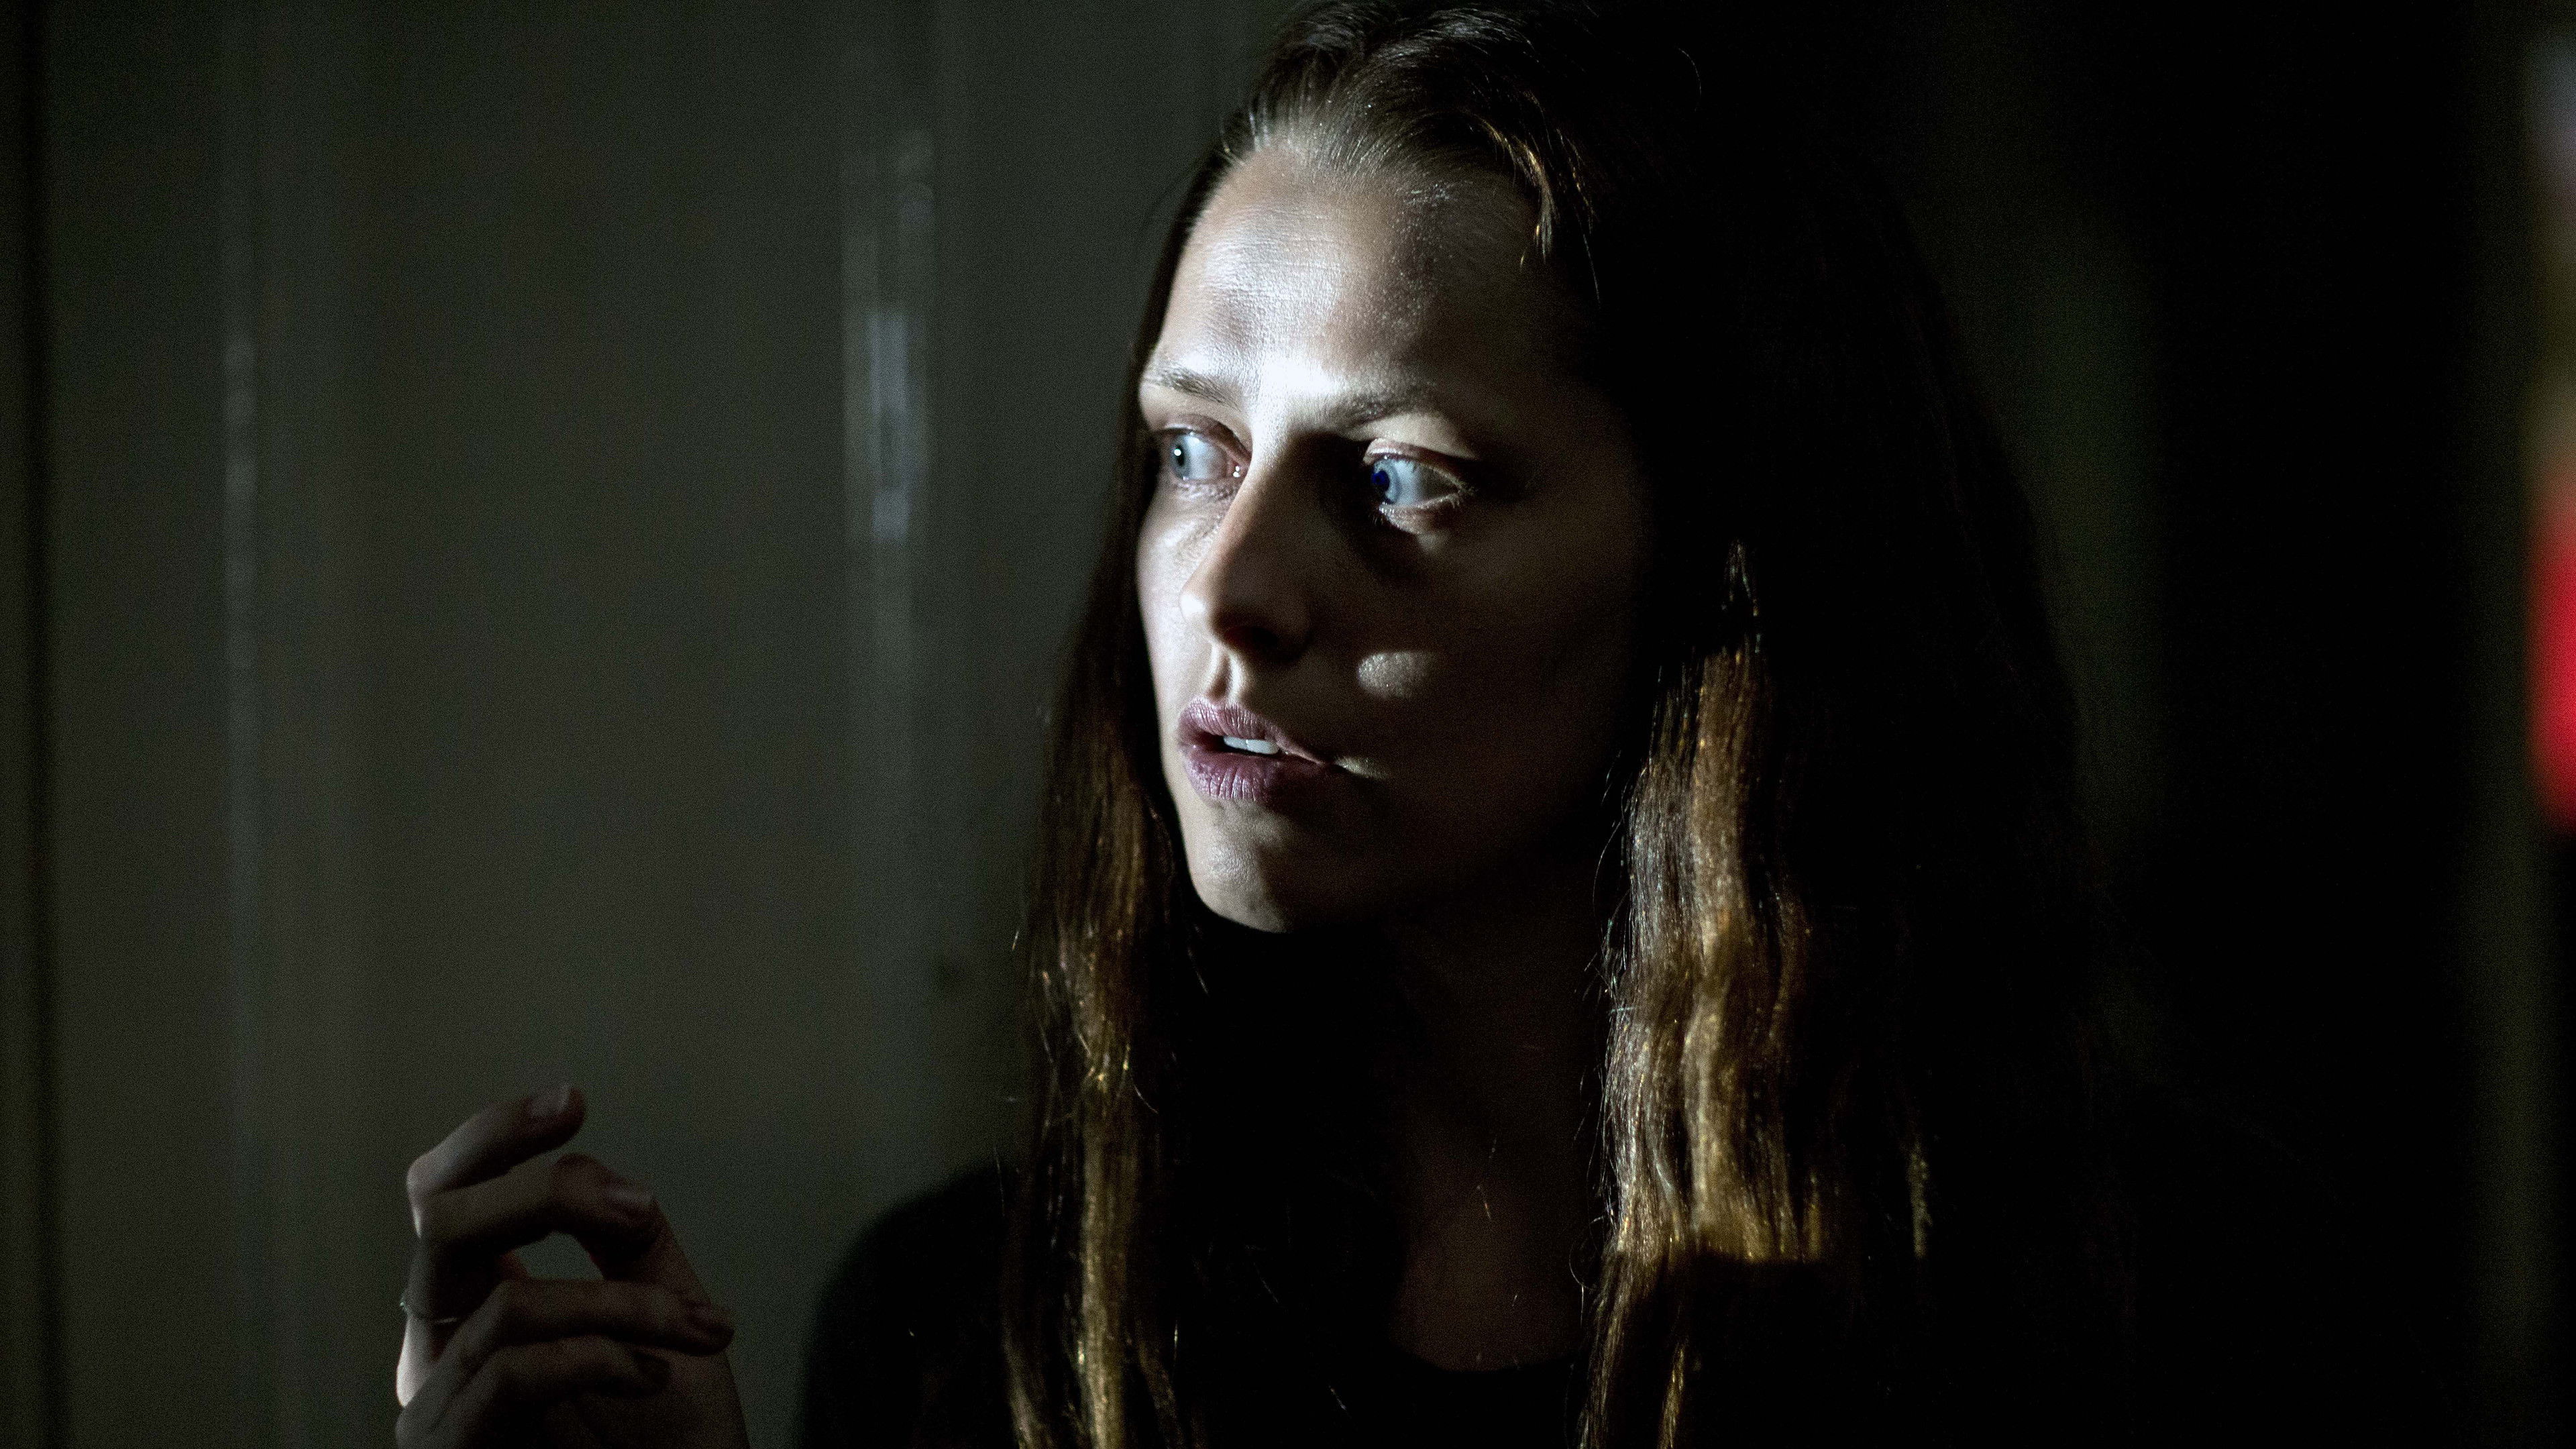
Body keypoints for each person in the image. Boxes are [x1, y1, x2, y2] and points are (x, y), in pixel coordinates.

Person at [392, 3, 2438, 1446]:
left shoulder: (2169, 1312)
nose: (1233, 590)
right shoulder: (975, 1336)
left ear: (1721, 569)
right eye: (1192, 453)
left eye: (1402, 479)